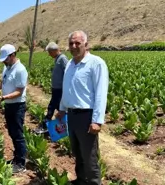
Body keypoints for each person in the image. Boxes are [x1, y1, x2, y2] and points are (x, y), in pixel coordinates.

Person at [56, 31, 109, 185]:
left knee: (89, 155)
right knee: (77, 152)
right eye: (71, 43)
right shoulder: (70, 64)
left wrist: (97, 121)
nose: (73, 46)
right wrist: (62, 109)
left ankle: (93, 182)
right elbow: (67, 89)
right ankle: (80, 180)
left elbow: (101, 93)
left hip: (87, 116)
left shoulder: (96, 63)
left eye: (77, 43)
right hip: (71, 115)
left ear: (86, 45)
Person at [0, 44, 28, 174]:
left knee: (18, 134)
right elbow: (2, 83)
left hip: (17, 105)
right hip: (8, 104)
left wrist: (3, 97)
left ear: (12, 55)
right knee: (12, 133)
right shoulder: (6, 67)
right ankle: (16, 158)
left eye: (5, 59)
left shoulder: (20, 70)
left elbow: (19, 91)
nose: (4, 61)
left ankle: (21, 163)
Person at [34, 42, 68, 134]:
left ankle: (45, 126)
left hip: (60, 89)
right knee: (58, 107)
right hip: (56, 89)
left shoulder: (62, 59)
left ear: (54, 51)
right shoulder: (58, 59)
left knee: (52, 107)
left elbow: (67, 74)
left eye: (50, 52)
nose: (49, 55)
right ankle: (65, 125)